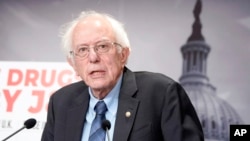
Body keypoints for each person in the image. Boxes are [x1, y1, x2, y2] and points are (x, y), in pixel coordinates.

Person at [41, 10, 204, 141]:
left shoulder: (161, 94)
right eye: (82, 50)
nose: (93, 58)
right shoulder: (61, 102)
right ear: (73, 64)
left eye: (102, 46)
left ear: (123, 55)